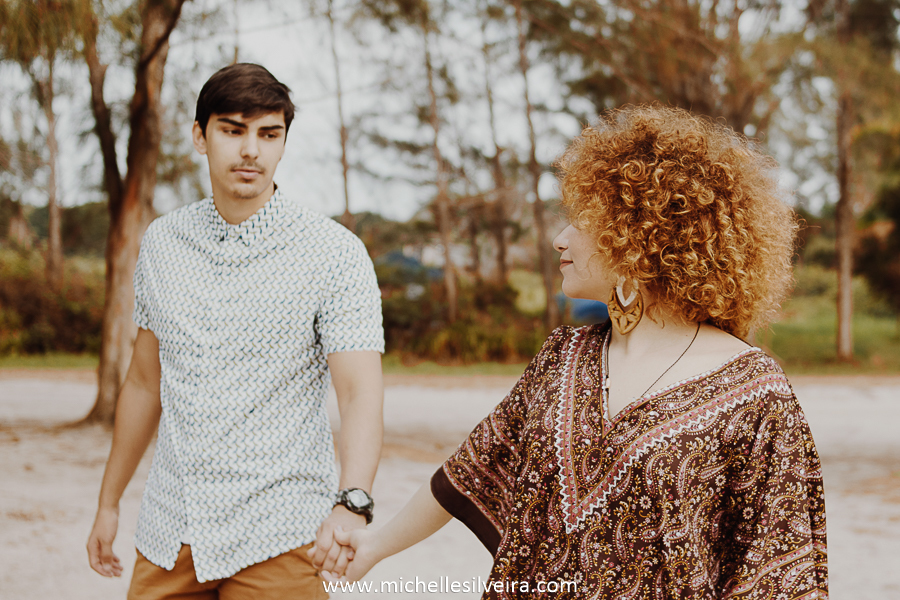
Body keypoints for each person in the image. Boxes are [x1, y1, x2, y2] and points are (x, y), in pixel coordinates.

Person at [325, 105, 828, 599]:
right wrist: (374, 548)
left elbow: (779, 569)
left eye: (582, 222)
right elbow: (469, 470)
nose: (560, 239)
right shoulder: (564, 356)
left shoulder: (756, 394)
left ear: (644, 235)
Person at [86, 63, 385, 599]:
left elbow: (359, 391)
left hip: (283, 534)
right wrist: (109, 502)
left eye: (269, 134)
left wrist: (353, 500)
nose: (252, 150)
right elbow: (142, 381)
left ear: (283, 142)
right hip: (171, 530)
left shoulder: (335, 253)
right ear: (200, 136)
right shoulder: (163, 243)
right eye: (233, 129)